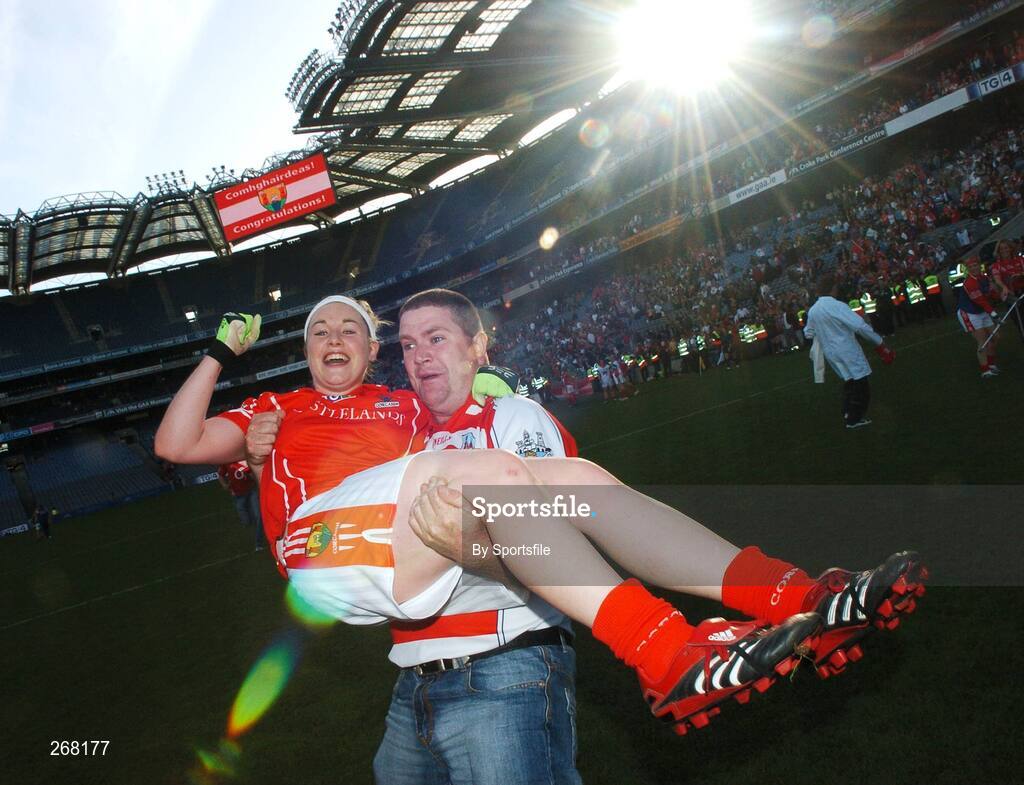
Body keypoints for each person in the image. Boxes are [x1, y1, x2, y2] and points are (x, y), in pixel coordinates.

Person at [155, 297, 925, 750]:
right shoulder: (277, 408)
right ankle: (664, 650)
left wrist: (482, 385)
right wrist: (223, 360)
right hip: (324, 546)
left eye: (349, 330)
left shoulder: (403, 411)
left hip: (402, 539)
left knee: (582, 481)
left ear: (369, 351)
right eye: (319, 329)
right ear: (303, 348)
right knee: (494, 474)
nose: (332, 338)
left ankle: (791, 596)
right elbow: (174, 443)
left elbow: (468, 414)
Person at [804, 274, 895, 429]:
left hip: (831, 353)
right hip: (846, 349)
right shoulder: (837, 306)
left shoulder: (813, 310)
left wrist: (823, 332)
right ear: (832, 288)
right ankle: (854, 417)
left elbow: (808, 333)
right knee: (860, 382)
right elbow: (859, 326)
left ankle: (848, 413)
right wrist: (878, 342)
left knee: (849, 381)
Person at [956, 256, 1001, 378]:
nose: (973, 268)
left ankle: (991, 364)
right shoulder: (969, 283)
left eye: (975, 265)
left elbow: (990, 295)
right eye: (970, 267)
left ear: (979, 265)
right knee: (983, 340)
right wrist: (994, 314)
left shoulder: (984, 278)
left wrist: (995, 291)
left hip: (982, 311)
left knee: (995, 336)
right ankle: (985, 370)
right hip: (970, 313)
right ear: (968, 269)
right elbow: (980, 300)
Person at [217, 460, 263, 549]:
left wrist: (254, 478)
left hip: (251, 490)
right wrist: (225, 485)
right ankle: (253, 530)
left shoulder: (243, 459)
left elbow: (253, 473)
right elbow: (220, 475)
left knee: (258, 516)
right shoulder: (226, 461)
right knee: (246, 520)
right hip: (238, 494)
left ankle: (258, 543)